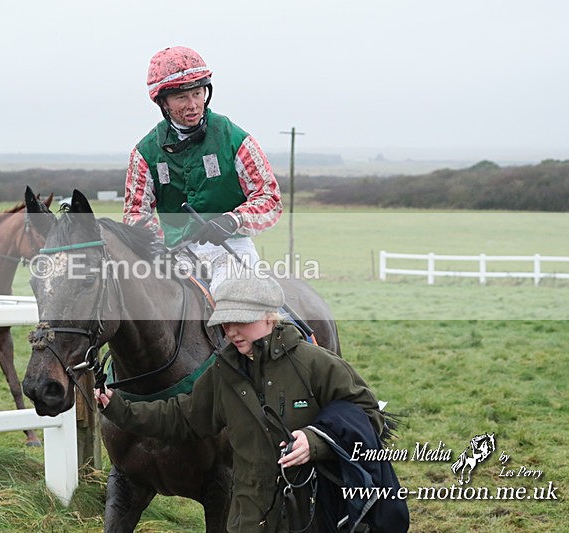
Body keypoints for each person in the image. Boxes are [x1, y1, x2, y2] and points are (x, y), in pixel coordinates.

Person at [94, 276, 407, 532]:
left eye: (239, 321)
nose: (231, 331)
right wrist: (117, 407)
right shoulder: (222, 372)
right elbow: (182, 417)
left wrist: (316, 442)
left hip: (311, 516)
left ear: (269, 316)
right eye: (225, 323)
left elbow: (368, 415)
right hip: (248, 520)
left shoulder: (315, 363)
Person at [123, 46, 282, 292]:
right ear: (163, 102)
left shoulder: (235, 138)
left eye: (197, 93)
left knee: (241, 309)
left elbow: (269, 198)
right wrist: (157, 245)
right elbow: (134, 214)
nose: (192, 105)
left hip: (231, 249)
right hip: (174, 254)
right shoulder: (144, 152)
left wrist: (233, 220)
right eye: (181, 98)